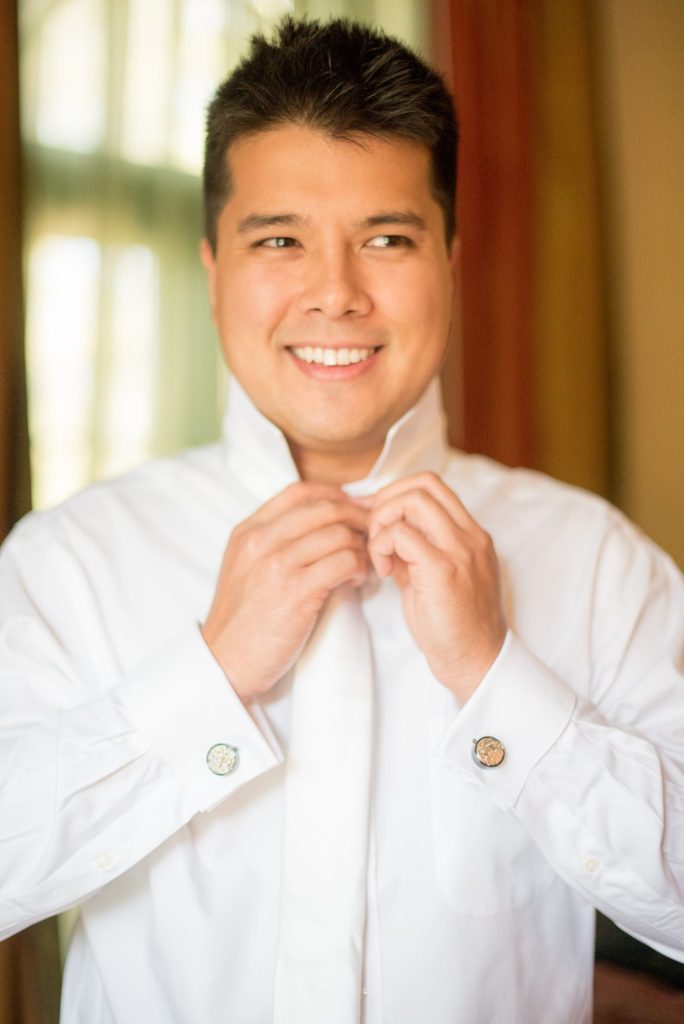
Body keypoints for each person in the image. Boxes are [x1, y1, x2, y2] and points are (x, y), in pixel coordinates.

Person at [1, 16, 683, 1024]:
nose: (335, 292)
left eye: (387, 239)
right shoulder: (66, 563)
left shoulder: (598, 563)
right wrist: (210, 676)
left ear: (450, 257)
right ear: (212, 266)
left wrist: (499, 683)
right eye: (279, 239)